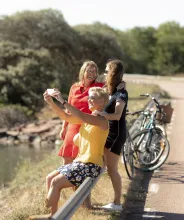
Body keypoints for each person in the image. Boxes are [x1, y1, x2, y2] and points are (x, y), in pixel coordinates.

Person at [42, 87, 109, 217]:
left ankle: (54, 216)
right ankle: (49, 212)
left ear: (102, 101)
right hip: (80, 162)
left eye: (93, 97)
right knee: (49, 178)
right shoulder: (88, 120)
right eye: (88, 97)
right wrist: (51, 102)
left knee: (56, 182)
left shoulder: (101, 120)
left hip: (91, 165)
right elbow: (66, 116)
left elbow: (81, 115)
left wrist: (62, 100)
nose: (89, 99)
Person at [95, 59, 128, 211]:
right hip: (110, 132)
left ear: (113, 72)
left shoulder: (121, 93)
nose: (105, 73)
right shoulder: (114, 90)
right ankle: (89, 199)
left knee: (112, 169)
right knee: (104, 165)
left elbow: (117, 115)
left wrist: (101, 114)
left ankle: (116, 203)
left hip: (116, 134)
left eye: (107, 70)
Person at [58, 61, 104, 165]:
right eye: (89, 71)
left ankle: (80, 181)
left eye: (94, 71)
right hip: (72, 127)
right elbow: (68, 108)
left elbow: (110, 89)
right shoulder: (74, 87)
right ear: (83, 72)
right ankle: (65, 181)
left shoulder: (99, 87)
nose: (92, 74)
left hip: (87, 127)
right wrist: (64, 128)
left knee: (81, 161)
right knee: (67, 159)